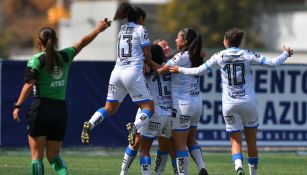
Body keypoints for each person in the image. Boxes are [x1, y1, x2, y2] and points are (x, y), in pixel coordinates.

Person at [170, 28, 294, 175]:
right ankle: (252, 173)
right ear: (239, 42)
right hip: (248, 102)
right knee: (251, 142)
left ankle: (238, 166)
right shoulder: (247, 54)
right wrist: (286, 53)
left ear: (226, 41)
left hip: (229, 104)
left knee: (235, 140)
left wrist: (180, 69)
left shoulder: (219, 55)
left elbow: (198, 71)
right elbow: (273, 63)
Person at [12, 19, 111, 175]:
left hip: (41, 109)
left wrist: (17, 106)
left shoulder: (36, 60)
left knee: (37, 157)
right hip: (60, 111)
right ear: (56, 41)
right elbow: (82, 42)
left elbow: (29, 84)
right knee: (54, 156)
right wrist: (98, 29)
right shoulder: (65, 56)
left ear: (39, 42)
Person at [81, 2, 154, 146]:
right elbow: (147, 53)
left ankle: (90, 123)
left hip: (117, 72)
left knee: (109, 108)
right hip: (132, 72)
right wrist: (148, 64)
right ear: (140, 18)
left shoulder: (122, 28)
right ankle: (135, 126)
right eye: (143, 19)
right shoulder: (141, 29)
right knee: (148, 108)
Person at [120, 41, 178, 175]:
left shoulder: (144, 69)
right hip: (168, 114)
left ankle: (124, 172)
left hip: (151, 112)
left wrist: (146, 62)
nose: (166, 47)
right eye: (162, 46)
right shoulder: (171, 68)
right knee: (172, 148)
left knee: (144, 149)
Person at [158, 28, 209, 175]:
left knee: (180, 144)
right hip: (197, 103)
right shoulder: (197, 55)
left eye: (177, 38)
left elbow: (161, 70)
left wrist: (148, 62)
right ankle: (201, 166)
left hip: (182, 104)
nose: (175, 40)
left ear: (185, 41)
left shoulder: (181, 56)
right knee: (191, 139)